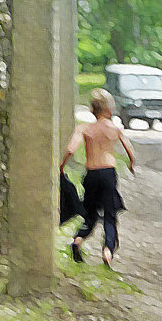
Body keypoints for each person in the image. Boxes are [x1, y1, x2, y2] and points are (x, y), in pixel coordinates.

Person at [60, 88, 137, 266]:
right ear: (108, 110)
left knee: (89, 212)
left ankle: (78, 240)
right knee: (110, 214)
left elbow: (70, 149)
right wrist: (131, 165)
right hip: (108, 173)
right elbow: (130, 151)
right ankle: (107, 250)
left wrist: (61, 166)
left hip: (91, 174)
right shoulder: (114, 129)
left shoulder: (85, 129)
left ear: (92, 110)